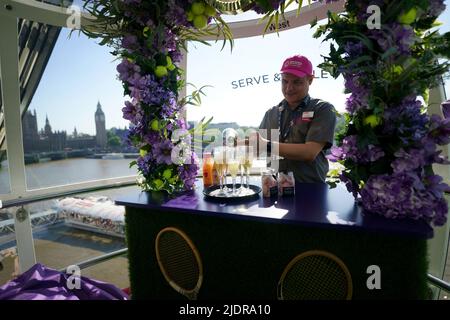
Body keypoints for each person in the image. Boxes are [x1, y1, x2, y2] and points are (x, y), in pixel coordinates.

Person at [258, 55, 337, 183]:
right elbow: (260, 151)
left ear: (310, 80)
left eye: (296, 82)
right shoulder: (270, 113)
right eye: (285, 81)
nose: (289, 88)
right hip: (275, 190)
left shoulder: (323, 109)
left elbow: (309, 153)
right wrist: (239, 145)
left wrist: (266, 145)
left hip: (310, 190)